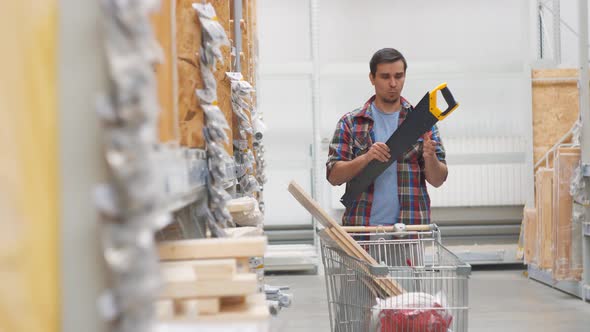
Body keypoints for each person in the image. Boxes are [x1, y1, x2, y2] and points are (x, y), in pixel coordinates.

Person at [326, 48, 448, 227]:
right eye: (385, 77)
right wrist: (366, 158)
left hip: (410, 231)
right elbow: (334, 176)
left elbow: (438, 180)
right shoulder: (351, 123)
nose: (393, 83)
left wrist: (430, 158)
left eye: (399, 76)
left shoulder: (422, 121)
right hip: (362, 231)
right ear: (372, 78)